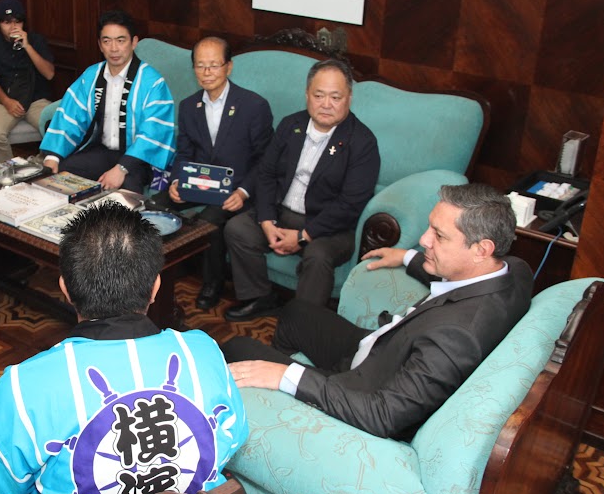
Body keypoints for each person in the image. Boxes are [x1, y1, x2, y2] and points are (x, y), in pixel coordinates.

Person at [0, 203, 248, 494]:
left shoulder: (24, 384)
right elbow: (232, 440)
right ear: (156, 286)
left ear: (65, 288)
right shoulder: (201, 352)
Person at [223, 183, 534, 440]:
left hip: (362, 389)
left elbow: (383, 415)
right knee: (295, 312)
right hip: (380, 349)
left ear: (482, 249)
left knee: (237, 348)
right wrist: (409, 258)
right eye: (430, 228)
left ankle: (280, 412)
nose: (425, 239)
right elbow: (461, 279)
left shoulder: (456, 337)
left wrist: (286, 375)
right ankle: (272, 407)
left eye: (439, 236)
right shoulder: (514, 271)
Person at [222, 58, 380, 321]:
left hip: (330, 226)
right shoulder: (290, 125)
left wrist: (304, 235)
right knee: (237, 228)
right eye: (319, 95)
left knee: (318, 256)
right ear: (307, 95)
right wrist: (266, 221)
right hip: (282, 211)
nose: (326, 104)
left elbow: (350, 204)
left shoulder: (362, 142)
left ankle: (302, 325)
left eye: (335, 97)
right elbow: (267, 174)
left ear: (349, 98)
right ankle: (260, 298)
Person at [149, 36, 272, 310]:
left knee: (210, 220)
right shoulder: (189, 106)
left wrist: (243, 192)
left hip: (236, 189)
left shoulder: (253, 106)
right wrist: (177, 180)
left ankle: (212, 284)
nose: (207, 72)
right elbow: (184, 152)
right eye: (200, 66)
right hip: (197, 183)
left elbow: (266, 161)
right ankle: (164, 270)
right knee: (155, 206)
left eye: (214, 65)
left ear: (228, 67)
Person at [40, 10, 175, 192]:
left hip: (138, 159)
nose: (113, 48)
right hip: (102, 151)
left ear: (134, 42)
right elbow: (70, 116)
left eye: (121, 40)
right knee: (64, 173)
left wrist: (121, 168)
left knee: (127, 191)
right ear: (100, 45)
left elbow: (153, 133)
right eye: (107, 41)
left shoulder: (152, 82)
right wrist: (53, 157)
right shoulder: (92, 75)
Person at [0, 0, 54, 163]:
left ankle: (41, 164)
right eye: (6, 22)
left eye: (17, 22)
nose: (13, 27)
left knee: (57, 127)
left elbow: (49, 74)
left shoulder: (36, 40)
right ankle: (9, 172)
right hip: (6, 99)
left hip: (36, 99)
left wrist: (27, 46)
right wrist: (7, 101)